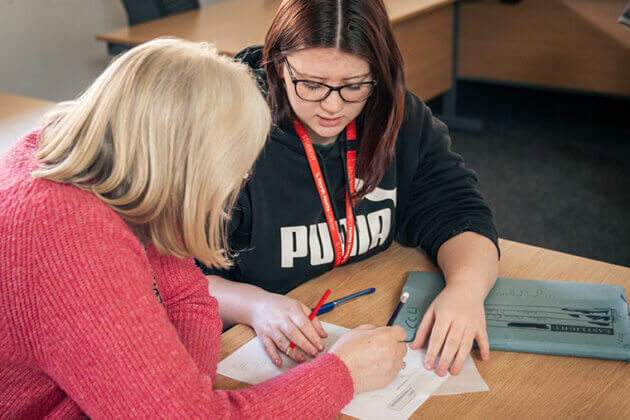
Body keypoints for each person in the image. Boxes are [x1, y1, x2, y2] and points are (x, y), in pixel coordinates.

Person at [0, 38, 407, 418]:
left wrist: (186, 394)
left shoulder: (117, 164)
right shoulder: (70, 241)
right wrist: (344, 373)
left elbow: (188, 296)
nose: (244, 176)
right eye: (236, 163)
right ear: (182, 162)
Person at [197, 0, 500, 378]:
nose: (332, 106)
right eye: (310, 84)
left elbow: (460, 214)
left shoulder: (395, 115)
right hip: (251, 348)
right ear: (278, 64)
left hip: (361, 310)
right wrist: (253, 305)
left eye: (354, 86)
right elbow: (168, 273)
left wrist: (466, 290)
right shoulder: (228, 128)